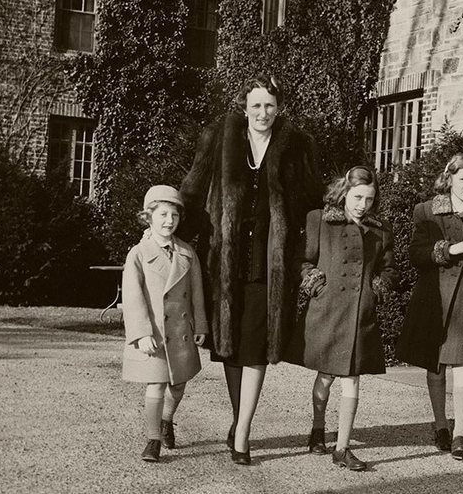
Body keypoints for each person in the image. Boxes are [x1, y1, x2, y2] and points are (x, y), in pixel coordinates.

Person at [178, 74, 322, 465]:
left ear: (280, 108)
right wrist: (173, 233)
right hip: (224, 258)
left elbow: (313, 201)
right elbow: (192, 192)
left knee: (256, 345)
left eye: (270, 105)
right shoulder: (218, 138)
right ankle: (239, 418)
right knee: (230, 348)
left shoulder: (296, 146)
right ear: (244, 106)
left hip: (269, 261)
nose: (263, 113)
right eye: (256, 105)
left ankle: (243, 432)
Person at [287, 165, 399, 472]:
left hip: (359, 314)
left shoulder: (380, 229)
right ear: (344, 193)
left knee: (352, 377)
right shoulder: (319, 220)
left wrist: (375, 290)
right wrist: (315, 282)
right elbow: (302, 260)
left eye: (369, 199)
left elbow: (390, 270)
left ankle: (343, 447)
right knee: (326, 374)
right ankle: (318, 427)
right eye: (358, 197)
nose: (363, 205)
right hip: (327, 310)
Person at [396, 152, 463, 462]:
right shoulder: (426, 211)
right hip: (434, 297)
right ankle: (441, 424)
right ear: (449, 178)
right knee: (436, 363)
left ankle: (460, 434)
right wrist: (450, 248)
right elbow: (415, 255)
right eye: (462, 179)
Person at [121, 185, 208, 463]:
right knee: (156, 385)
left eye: (174, 215)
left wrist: (202, 325)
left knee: (179, 383)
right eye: (162, 214)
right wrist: (141, 333)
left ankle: (166, 420)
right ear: (148, 217)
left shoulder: (187, 252)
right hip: (155, 333)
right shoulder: (138, 253)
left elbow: (197, 293)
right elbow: (133, 297)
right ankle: (153, 439)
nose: (169, 221)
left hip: (181, 332)